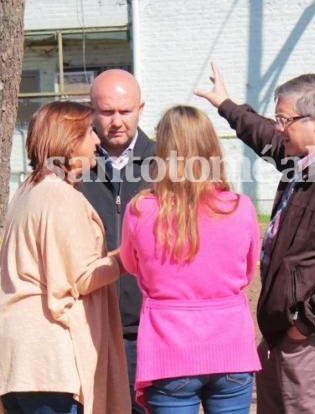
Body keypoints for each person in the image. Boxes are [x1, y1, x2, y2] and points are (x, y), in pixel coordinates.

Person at [195, 63, 315, 414]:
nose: (279, 128)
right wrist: (227, 105)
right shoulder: (308, 160)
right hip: (290, 330)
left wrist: (301, 327)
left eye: (285, 120)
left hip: (313, 334)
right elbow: (267, 137)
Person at [0, 101, 130, 414]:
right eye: (89, 134)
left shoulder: (30, 189)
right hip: (46, 359)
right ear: (69, 141)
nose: (98, 141)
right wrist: (130, 258)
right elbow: (80, 278)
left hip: (16, 358)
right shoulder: (61, 197)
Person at [119, 105, 261, 413]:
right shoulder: (241, 207)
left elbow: (131, 265)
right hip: (231, 347)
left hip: (169, 350)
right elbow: (247, 272)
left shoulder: (141, 209)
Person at [78, 69, 156, 414]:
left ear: (140, 108)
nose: (116, 122)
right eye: (107, 112)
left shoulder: (167, 163)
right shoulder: (73, 165)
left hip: (151, 331)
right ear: (91, 111)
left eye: (125, 111)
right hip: (91, 328)